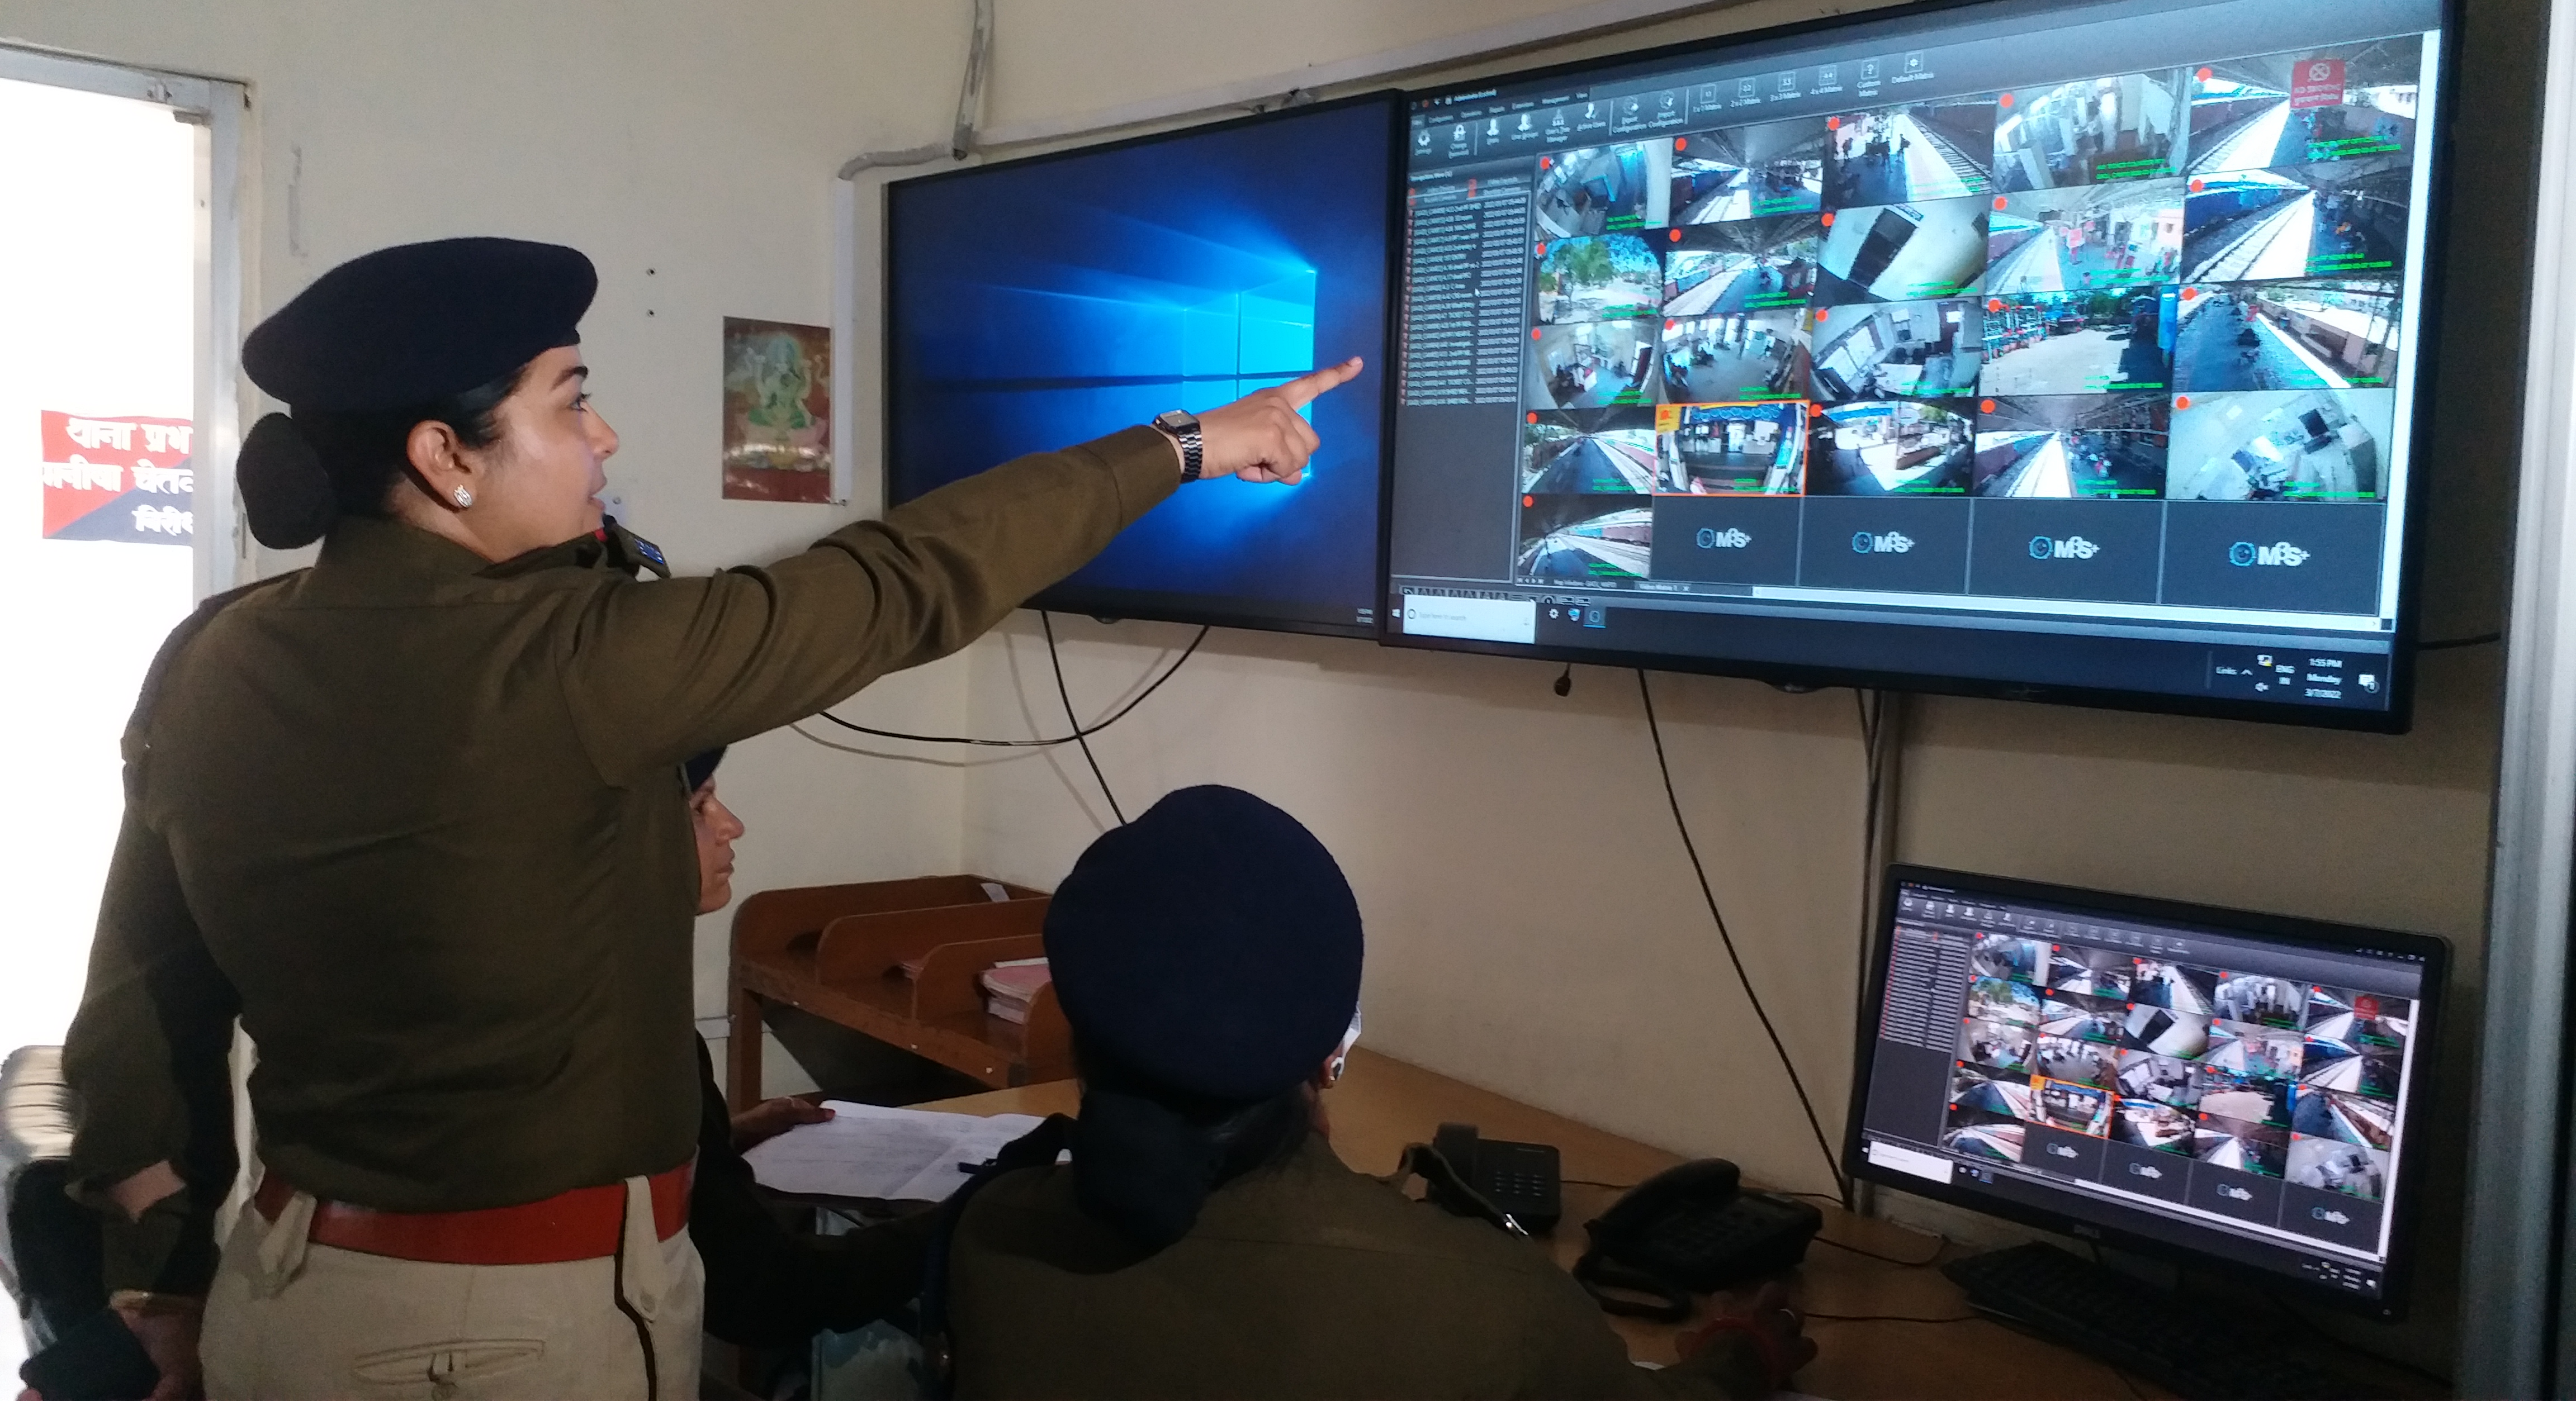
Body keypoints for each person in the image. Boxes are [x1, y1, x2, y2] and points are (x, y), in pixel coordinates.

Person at [57, 236, 1357, 1400]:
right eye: (569, 399)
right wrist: (1186, 444)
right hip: (505, 1334)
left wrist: (159, 1283)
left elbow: (139, 1008)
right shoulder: (565, 659)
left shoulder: (213, 653)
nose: (605, 437)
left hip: (283, 1301)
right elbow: (901, 580)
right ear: (446, 457)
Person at [943, 786, 1813, 1399]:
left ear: (1074, 1034)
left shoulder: (988, 1236)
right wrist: (1740, 1354)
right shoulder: (1482, 1301)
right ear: (1327, 1058)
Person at [677, 747, 934, 1360]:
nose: (730, 825)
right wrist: (966, 1223)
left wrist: (722, 1137)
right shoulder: (643, 1036)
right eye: (700, 804)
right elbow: (765, 1291)